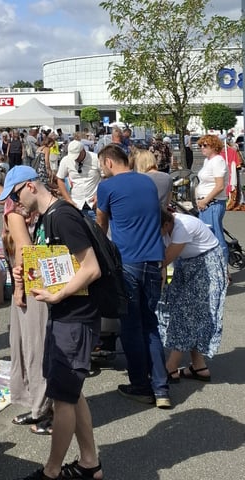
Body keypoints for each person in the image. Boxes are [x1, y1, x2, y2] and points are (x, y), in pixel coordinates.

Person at [0, 166, 104, 480]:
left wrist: (59, 296)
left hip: (74, 317)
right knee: (70, 393)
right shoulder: (48, 218)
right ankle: (90, 463)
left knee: (63, 398)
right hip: (67, 316)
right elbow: (59, 265)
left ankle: (52, 470)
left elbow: (91, 268)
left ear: (30, 186)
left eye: (17, 195)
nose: (16, 204)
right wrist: (25, 276)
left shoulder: (61, 216)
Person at [96, 144, 170, 409]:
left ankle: (140, 384)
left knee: (130, 325)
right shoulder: (148, 183)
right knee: (150, 324)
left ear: (108, 162)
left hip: (128, 261)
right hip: (153, 259)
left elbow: (100, 224)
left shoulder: (107, 187)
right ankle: (161, 387)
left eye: (102, 165)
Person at [0, 167, 53, 435]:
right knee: (35, 346)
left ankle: (42, 411)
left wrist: (19, 288)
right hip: (43, 278)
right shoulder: (35, 207)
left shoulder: (14, 211)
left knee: (33, 348)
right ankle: (41, 408)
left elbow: (24, 250)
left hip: (33, 282)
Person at [158, 209, 226, 384]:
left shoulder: (183, 226)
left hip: (206, 265)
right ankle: (199, 366)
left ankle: (170, 368)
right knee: (180, 310)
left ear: (166, 224)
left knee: (186, 315)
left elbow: (164, 259)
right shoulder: (167, 227)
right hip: (187, 264)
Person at [194, 134, 229, 266]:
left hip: (212, 204)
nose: (202, 148)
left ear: (214, 146)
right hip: (205, 203)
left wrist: (206, 200)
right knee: (209, 235)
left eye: (205, 145)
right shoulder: (208, 161)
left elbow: (219, 186)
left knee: (216, 236)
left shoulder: (218, 161)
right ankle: (217, 267)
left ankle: (223, 269)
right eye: (200, 145)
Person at [55, 140, 101, 220]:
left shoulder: (96, 159)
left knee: (98, 231)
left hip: (94, 205)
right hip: (76, 204)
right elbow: (60, 179)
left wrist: (99, 194)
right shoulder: (66, 160)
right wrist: (68, 199)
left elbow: (106, 177)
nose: (75, 159)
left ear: (83, 150)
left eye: (77, 156)